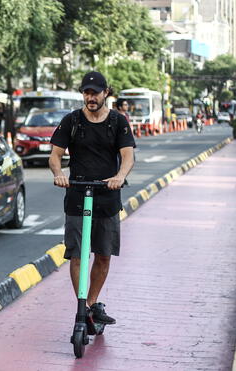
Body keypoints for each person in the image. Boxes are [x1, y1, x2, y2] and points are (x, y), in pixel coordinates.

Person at [49, 71, 136, 324]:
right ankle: (82, 308)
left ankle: (91, 303)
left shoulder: (118, 122)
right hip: (77, 193)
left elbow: (128, 156)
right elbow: (55, 155)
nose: (90, 97)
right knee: (77, 254)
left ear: (105, 93)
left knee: (104, 254)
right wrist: (59, 173)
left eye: (95, 93)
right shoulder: (72, 121)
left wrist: (119, 175)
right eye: (86, 93)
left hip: (108, 195)